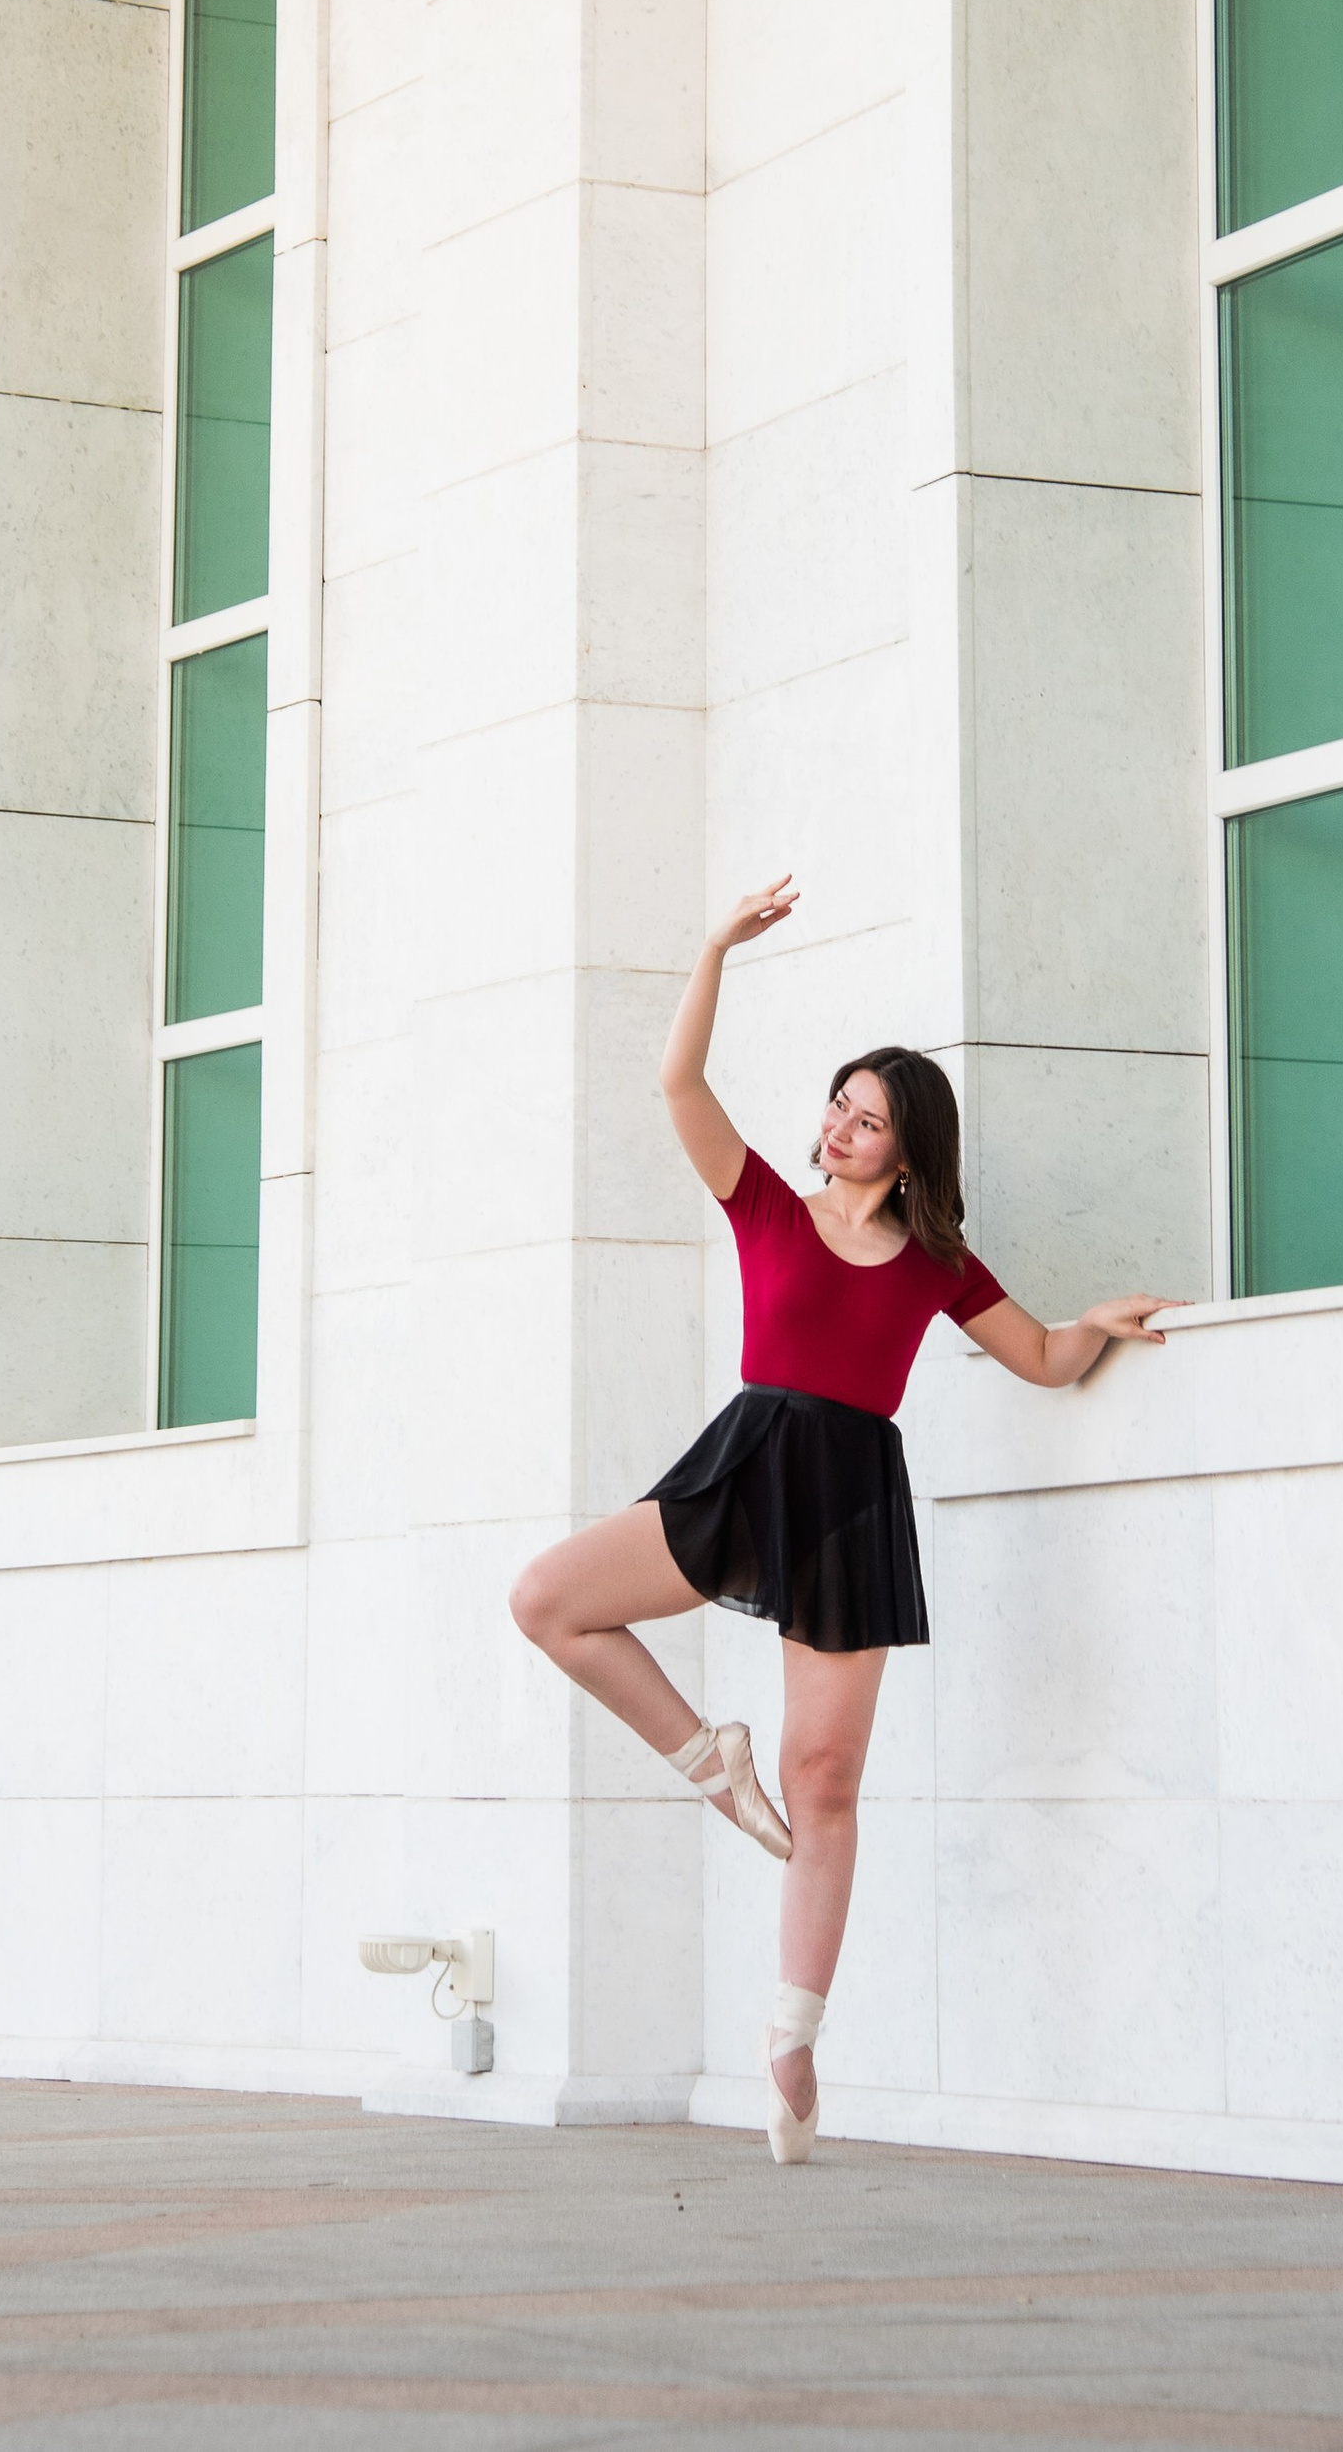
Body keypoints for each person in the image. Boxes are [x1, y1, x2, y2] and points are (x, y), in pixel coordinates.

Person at [510, 875, 1180, 2162]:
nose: (836, 1129)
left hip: (847, 1501)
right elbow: (678, 1087)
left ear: (908, 1149)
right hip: (749, 1457)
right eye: (837, 1105)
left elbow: (1035, 1357)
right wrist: (711, 945)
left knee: (827, 1780)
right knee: (548, 1598)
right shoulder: (767, 1202)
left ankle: (792, 2037)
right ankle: (710, 1761)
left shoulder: (936, 1263)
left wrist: (1097, 1327)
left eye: (865, 1121)